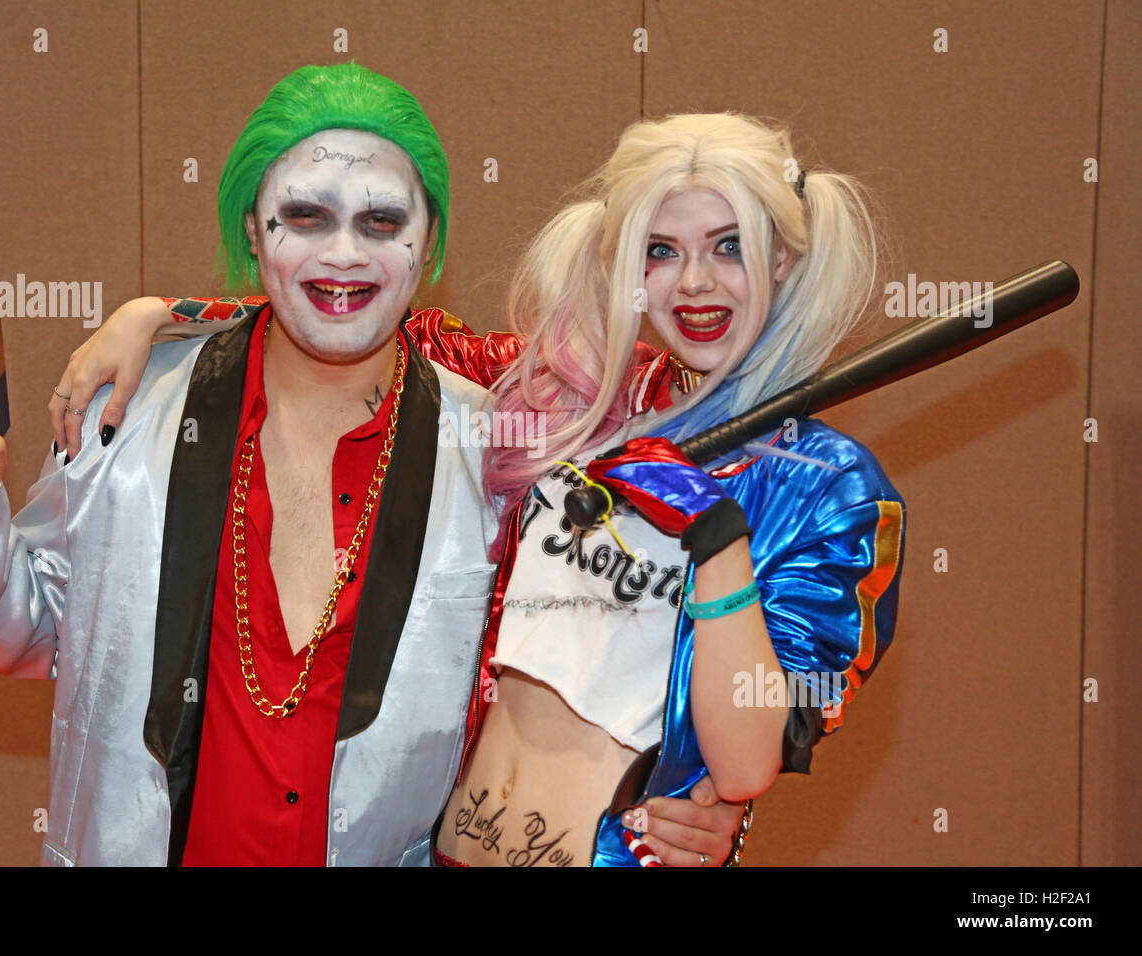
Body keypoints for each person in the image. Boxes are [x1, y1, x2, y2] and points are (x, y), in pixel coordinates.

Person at [0, 64, 735, 866]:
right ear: (253, 233)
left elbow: (589, 671)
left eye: (381, 222)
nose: (344, 257)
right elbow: (29, 624)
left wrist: (702, 798)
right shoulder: (128, 406)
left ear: (429, 241)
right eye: (306, 218)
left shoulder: (502, 450)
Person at [73, 111, 905, 867]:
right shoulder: (566, 398)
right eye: (661, 249)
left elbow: (751, 757)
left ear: (786, 257)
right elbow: (362, 317)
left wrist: (716, 540)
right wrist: (160, 315)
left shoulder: (828, 489)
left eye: (730, 246)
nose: (694, 282)